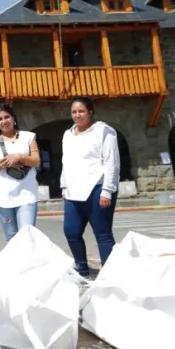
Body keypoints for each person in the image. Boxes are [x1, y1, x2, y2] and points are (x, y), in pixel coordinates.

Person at [60, 97, 120, 278]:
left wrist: (107, 190)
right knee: (71, 231)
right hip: (73, 191)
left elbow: (111, 162)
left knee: (102, 233)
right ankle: (82, 267)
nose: (77, 115)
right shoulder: (68, 134)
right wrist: (64, 186)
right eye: (74, 112)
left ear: (90, 112)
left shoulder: (104, 131)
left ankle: (110, 274)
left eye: (81, 111)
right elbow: (66, 161)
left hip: (97, 189)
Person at [0, 104, 40, 240]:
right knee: (11, 237)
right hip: (2, 195)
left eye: (7, 117)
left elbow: (36, 161)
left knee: (27, 235)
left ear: (13, 118)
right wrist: (2, 163)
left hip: (26, 193)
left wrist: (19, 157)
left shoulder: (28, 137)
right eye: (0, 119)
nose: (4, 121)